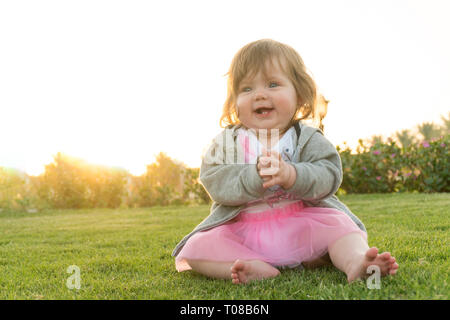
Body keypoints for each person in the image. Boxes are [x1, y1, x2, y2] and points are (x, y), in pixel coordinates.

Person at [171, 39, 398, 284]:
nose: (259, 94)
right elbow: (214, 178)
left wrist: (292, 175)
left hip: (302, 224)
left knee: (341, 229)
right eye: (246, 89)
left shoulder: (307, 138)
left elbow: (329, 173)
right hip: (243, 230)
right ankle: (248, 268)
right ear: (234, 101)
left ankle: (355, 261)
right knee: (197, 248)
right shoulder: (228, 141)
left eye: (273, 84)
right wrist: (253, 177)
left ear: (299, 95)